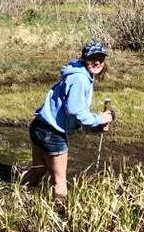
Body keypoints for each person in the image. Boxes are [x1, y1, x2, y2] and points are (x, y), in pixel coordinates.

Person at [23, 40, 113, 201]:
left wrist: (96, 125)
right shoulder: (80, 79)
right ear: (85, 58)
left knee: (38, 169)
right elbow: (76, 113)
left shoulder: (75, 71)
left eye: (101, 58)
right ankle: (58, 217)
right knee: (59, 181)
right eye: (93, 57)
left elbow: (72, 114)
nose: (97, 61)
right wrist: (100, 119)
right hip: (52, 133)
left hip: (39, 126)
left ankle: (18, 198)